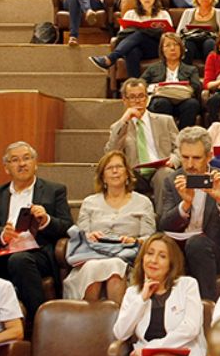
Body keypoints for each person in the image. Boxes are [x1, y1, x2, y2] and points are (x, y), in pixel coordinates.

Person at [0, 141, 72, 316]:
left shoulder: (54, 190)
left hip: (37, 253)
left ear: (35, 164)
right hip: (3, 252)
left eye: (27, 159)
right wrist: (2, 234)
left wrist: (46, 220)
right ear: (6, 168)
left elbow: (68, 227)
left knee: (19, 260)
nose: (22, 164)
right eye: (15, 160)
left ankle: (40, 320)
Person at [112, 234, 205, 356]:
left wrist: (151, 349)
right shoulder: (133, 293)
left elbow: (191, 328)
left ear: (171, 263)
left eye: (162, 256)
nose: (153, 260)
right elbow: (120, 332)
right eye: (150, 253)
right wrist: (142, 299)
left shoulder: (187, 285)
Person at [157, 127, 220, 302]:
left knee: (197, 243)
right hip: (178, 252)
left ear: (209, 156)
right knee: (155, 246)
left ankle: (207, 307)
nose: (189, 164)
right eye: (185, 157)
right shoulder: (171, 181)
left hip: (214, 253)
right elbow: (163, 224)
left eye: (196, 158)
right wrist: (185, 205)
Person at [64, 151, 155, 302]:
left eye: (119, 167)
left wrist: (133, 241)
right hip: (93, 255)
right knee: (94, 267)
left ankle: (118, 322)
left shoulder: (143, 202)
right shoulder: (89, 202)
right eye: (109, 168)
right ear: (102, 177)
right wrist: (89, 236)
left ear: (127, 174)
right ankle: (89, 321)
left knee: (115, 265)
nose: (114, 171)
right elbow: (82, 235)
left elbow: (149, 238)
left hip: (128, 258)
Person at [103, 77, 179, 206]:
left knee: (165, 174)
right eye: (132, 97)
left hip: (161, 167)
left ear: (147, 98)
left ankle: (163, 221)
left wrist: (174, 160)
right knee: (122, 176)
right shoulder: (119, 126)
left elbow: (180, 148)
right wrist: (125, 121)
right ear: (124, 100)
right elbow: (111, 153)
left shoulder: (165, 121)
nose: (137, 101)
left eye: (141, 96)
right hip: (134, 172)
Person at [90, 0, 173, 78]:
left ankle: (110, 58)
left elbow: (169, 36)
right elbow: (121, 36)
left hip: (156, 48)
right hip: (136, 48)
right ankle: (135, 85)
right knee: (132, 51)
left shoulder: (163, 14)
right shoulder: (130, 14)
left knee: (141, 33)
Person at [142, 32, 202, 130]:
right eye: (168, 45)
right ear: (162, 50)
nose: (172, 49)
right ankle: (164, 137)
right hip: (162, 101)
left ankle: (183, 138)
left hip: (183, 100)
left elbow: (196, 86)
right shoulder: (153, 68)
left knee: (192, 104)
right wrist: (154, 87)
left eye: (176, 45)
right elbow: (141, 84)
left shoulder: (191, 69)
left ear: (181, 48)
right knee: (161, 103)